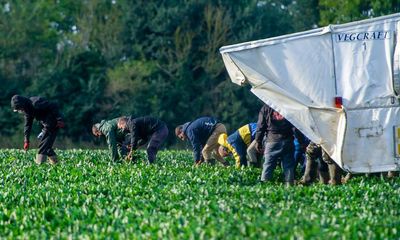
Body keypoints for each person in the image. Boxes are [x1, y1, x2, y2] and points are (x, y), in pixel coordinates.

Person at [255, 104, 305, 186]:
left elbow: (260, 126)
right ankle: (289, 187)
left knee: (268, 165)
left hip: (272, 141)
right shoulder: (287, 106)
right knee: (288, 166)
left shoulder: (265, 108)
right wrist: (302, 142)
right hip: (287, 141)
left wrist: (258, 141)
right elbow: (295, 127)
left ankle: (264, 187)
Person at [11, 95, 65, 165]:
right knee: (46, 147)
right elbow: (27, 126)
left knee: (43, 147)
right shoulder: (28, 111)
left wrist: (59, 119)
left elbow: (53, 105)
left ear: (23, 104)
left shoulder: (36, 103)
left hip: (54, 122)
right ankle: (56, 164)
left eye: (20, 109)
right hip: (46, 124)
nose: (21, 111)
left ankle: (40, 166)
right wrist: (26, 140)